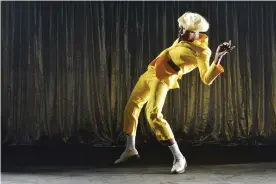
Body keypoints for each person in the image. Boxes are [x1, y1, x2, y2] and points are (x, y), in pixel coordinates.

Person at [114, 12, 235, 174]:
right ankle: (130, 148)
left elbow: (206, 78)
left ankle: (179, 158)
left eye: (183, 29)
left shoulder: (202, 51)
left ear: (196, 32)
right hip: (151, 72)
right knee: (131, 106)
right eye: (180, 28)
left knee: (153, 114)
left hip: (163, 78)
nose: (180, 31)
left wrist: (218, 58)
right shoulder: (183, 38)